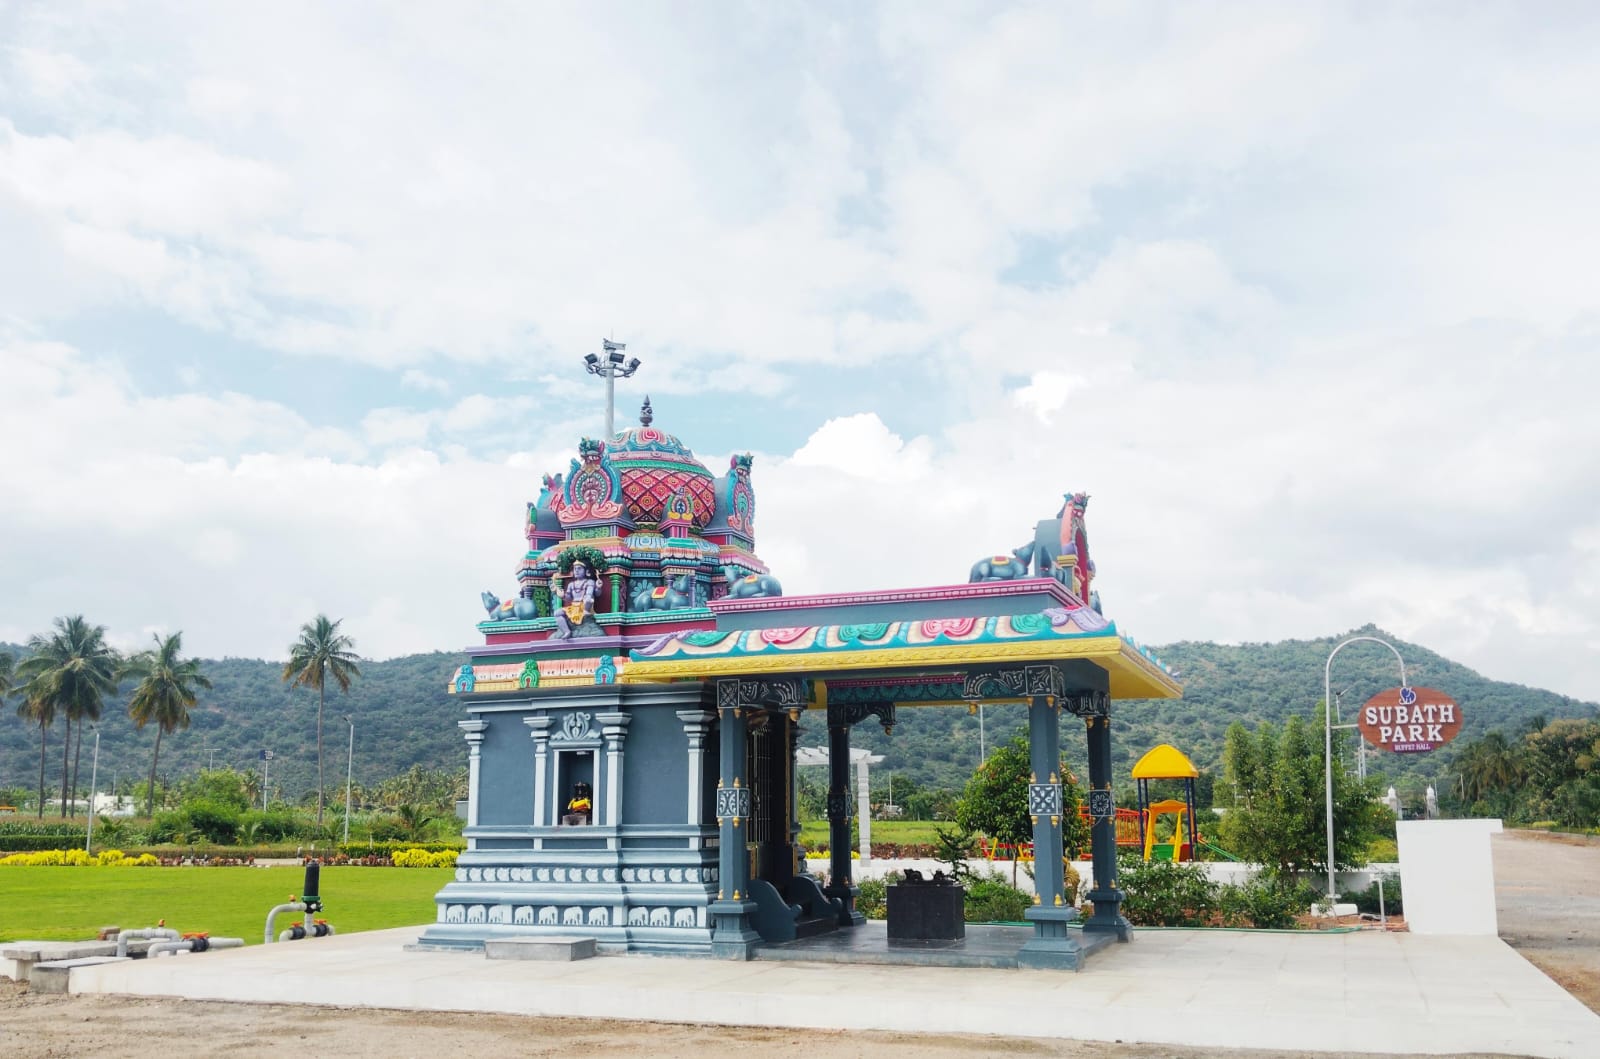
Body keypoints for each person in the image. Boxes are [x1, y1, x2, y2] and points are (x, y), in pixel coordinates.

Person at [551, 560, 598, 639]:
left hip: (585, 606)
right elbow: (568, 598)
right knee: (557, 613)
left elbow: (589, 594)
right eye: (575, 569)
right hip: (573, 607)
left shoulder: (590, 582)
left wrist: (587, 599)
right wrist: (559, 593)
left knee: (588, 599)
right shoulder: (571, 584)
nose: (576, 570)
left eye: (579, 568)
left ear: (586, 571)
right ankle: (567, 631)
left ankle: (585, 615)